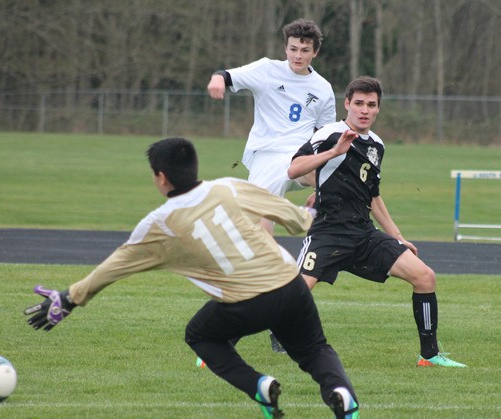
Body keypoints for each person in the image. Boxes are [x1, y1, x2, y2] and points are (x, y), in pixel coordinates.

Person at [24, 137, 360, 419]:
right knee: (314, 348)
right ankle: (342, 395)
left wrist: (70, 298)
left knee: (200, 336)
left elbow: (115, 266)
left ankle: (258, 385)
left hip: (247, 302)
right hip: (290, 284)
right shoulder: (229, 187)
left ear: (160, 178)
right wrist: (311, 210)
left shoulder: (160, 223)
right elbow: (298, 221)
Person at [286, 76, 467, 368]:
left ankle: (430, 356)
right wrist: (333, 153)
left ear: (378, 109)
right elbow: (294, 169)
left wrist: (397, 237)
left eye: (371, 105)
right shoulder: (331, 134)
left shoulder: (377, 145)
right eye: (358, 103)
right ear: (347, 104)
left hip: (363, 235)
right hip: (327, 234)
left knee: (425, 277)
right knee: (289, 296)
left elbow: (373, 197)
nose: (364, 110)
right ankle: (222, 340)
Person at [207, 18, 335, 235]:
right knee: (259, 221)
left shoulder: (323, 89)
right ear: (285, 48)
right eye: (293, 49)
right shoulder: (267, 70)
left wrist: (323, 188)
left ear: (315, 53)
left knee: (339, 178)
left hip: (298, 155)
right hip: (266, 154)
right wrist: (217, 79)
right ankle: (269, 259)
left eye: (305, 50)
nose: (297, 55)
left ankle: (352, 230)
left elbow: (324, 138)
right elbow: (227, 75)